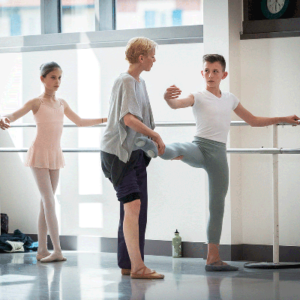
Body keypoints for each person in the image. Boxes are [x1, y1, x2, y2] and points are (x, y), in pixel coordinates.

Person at [135, 54, 300, 271]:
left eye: (215, 71)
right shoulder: (198, 96)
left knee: (217, 206)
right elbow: (177, 104)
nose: (210, 75)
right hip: (199, 147)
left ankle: (213, 258)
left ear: (224, 74)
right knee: (179, 148)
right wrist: (167, 98)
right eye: (206, 71)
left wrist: (282, 119)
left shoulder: (230, 98)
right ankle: (153, 147)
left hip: (218, 156)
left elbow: (253, 121)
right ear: (202, 73)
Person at [3, 62, 107, 263]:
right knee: (50, 201)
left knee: (45, 203)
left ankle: (42, 250)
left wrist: (105, 119)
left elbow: (80, 121)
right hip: (39, 154)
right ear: (42, 79)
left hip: (55, 154)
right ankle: (57, 249)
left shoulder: (62, 103)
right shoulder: (36, 102)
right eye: (53, 77)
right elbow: (13, 115)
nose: (57, 81)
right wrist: (4, 118)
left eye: (60, 77)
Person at [100, 37, 165, 279]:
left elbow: (143, 117)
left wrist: (151, 142)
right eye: (151, 55)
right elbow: (129, 119)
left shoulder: (140, 82)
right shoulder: (125, 80)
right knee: (133, 206)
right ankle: (138, 268)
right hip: (118, 154)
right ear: (141, 57)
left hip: (135, 153)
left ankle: (129, 264)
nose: (153, 59)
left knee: (137, 209)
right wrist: (154, 135)